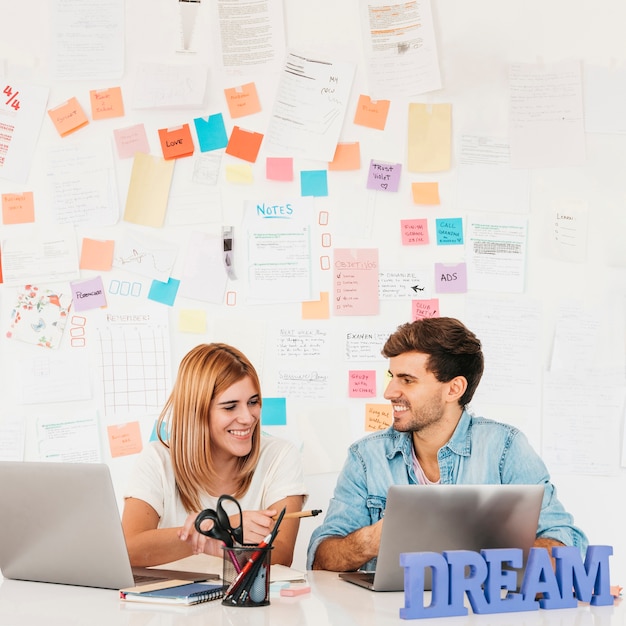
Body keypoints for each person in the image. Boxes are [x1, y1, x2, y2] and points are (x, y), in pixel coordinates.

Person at [307, 317, 587, 571]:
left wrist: (490, 562)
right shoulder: (366, 457)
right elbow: (321, 560)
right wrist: (370, 541)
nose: (389, 392)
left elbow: (565, 540)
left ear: (454, 389)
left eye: (407, 380)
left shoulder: (504, 448)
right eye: (393, 377)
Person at [122, 342, 307, 568]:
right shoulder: (158, 459)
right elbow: (128, 550)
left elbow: (280, 557)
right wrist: (217, 529)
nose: (248, 418)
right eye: (230, 407)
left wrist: (215, 542)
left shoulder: (279, 456)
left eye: (253, 402)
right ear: (197, 412)